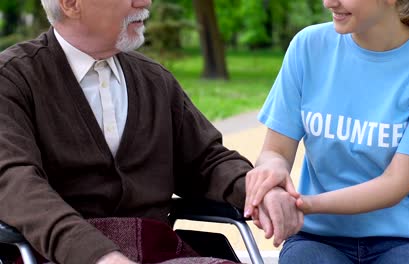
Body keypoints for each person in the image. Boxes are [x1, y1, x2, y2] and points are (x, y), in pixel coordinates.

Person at [0, 0, 302, 263]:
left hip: (160, 250)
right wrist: (96, 255)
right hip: (57, 256)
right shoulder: (13, 79)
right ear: (70, 3)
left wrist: (258, 190)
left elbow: (206, 161)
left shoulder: (155, 80)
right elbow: (15, 183)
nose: (145, 2)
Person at [244, 0, 409, 263]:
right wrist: (272, 172)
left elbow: (395, 183)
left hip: (406, 240)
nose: (329, 2)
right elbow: (275, 150)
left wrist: (303, 204)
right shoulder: (308, 46)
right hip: (318, 239)